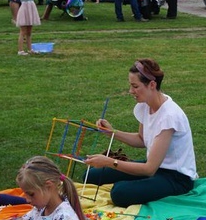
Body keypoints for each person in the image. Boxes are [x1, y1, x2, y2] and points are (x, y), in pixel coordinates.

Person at [85, 59, 198, 207]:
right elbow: (141, 139)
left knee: (119, 193)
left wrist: (109, 162)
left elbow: (149, 169)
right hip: (155, 168)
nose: (131, 91)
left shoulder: (169, 116)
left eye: (135, 86)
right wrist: (111, 132)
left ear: (152, 85)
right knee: (91, 175)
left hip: (176, 178)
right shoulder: (145, 105)